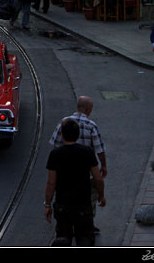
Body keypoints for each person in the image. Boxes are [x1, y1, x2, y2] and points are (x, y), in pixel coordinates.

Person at [48, 96, 108, 233]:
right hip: (85, 171)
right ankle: (88, 223)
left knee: (64, 195)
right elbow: (99, 149)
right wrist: (103, 165)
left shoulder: (63, 123)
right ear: (88, 109)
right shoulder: (91, 125)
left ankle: (64, 223)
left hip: (64, 171)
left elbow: (55, 146)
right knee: (90, 197)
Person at [45, 119, 105, 246]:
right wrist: (101, 195)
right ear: (78, 135)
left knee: (63, 239)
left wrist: (47, 205)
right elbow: (98, 178)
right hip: (83, 204)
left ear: (62, 135)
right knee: (85, 239)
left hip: (63, 205)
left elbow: (51, 183)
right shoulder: (87, 152)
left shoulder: (55, 154)